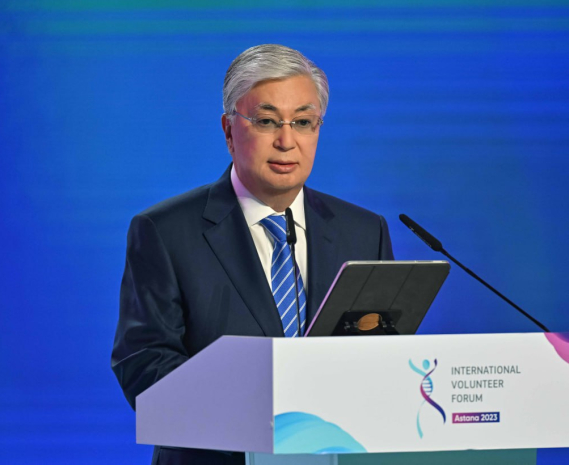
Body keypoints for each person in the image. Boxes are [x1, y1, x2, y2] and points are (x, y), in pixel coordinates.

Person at [111, 44, 394, 465]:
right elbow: (143, 365)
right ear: (229, 130)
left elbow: (384, 362)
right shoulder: (165, 232)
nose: (286, 141)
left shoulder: (365, 232)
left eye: (303, 122)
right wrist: (262, 418)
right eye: (266, 121)